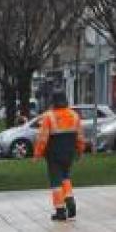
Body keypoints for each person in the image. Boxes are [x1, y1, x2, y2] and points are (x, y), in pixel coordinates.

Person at [34, 91, 87, 221]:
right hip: (69, 153)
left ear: (53, 101)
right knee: (65, 177)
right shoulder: (74, 116)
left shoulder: (48, 116)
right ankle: (70, 201)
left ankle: (60, 211)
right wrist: (80, 151)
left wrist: (37, 154)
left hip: (54, 154)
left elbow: (43, 138)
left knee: (56, 182)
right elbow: (80, 137)